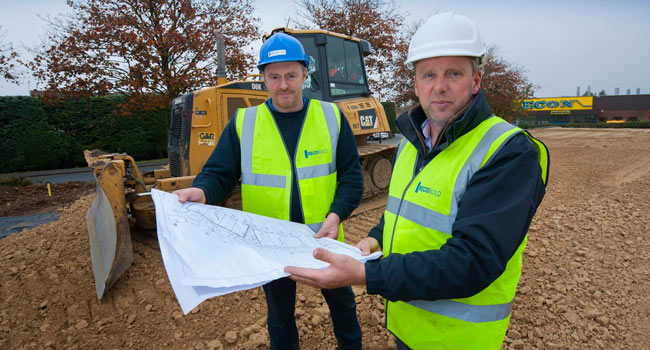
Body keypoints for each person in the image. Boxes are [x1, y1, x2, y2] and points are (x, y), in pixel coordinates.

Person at [285, 12, 549, 350]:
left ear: (476, 80)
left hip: (457, 339)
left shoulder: (508, 151)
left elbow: (474, 260)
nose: (439, 86)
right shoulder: (412, 144)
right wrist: (374, 241)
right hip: (409, 327)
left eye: (454, 73)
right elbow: (404, 212)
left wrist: (366, 274)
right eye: (429, 75)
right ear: (416, 84)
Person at [173, 32, 364, 350]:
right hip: (270, 246)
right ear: (264, 78)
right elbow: (219, 174)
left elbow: (352, 179)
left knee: (343, 308)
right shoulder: (244, 123)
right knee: (279, 316)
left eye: (291, 75)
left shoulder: (331, 118)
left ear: (305, 73)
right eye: (274, 76)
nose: (284, 84)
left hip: (325, 240)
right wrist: (203, 192)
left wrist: (336, 215)